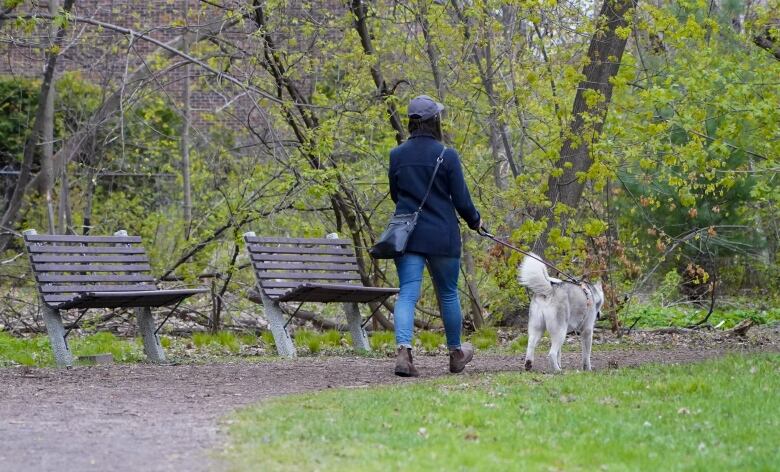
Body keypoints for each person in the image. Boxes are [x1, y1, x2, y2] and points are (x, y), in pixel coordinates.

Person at [388, 95, 483, 377]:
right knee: (448, 294)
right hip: (442, 235)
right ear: (434, 121)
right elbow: (462, 200)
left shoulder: (397, 156)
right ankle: (455, 354)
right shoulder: (447, 155)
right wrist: (475, 221)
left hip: (408, 236)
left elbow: (396, 196)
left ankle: (404, 353)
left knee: (407, 294)